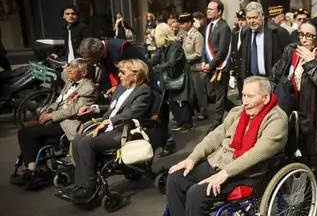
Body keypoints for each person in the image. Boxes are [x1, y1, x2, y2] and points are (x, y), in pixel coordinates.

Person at [144, 77, 288, 216]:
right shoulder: (238, 112)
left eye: (250, 96)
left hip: (246, 174)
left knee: (197, 193)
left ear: (265, 97)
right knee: (175, 178)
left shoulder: (277, 119)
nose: (244, 101)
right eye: (243, 95)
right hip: (217, 164)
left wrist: (225, 174)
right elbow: (216, 136)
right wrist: (192, 159)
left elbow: (258, 153)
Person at [57, 59, 153, 202]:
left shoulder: (143, 91)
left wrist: (109, 121)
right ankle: (80, 184)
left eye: (122, 72)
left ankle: (89, 188)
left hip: (126, 131)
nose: (119, 75)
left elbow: (132, 113)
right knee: (77, 140)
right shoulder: (122, 88)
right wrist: (93, 108)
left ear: (135, 74)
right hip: (111, 127)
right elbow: (112, 108)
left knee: (86, 143)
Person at [269, 18, 317, 201]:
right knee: (297, 154)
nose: (304, 39)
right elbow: (276, 74)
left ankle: (311, 200)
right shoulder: (291, 49)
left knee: (314, 159)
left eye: (309, 35)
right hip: (293, 113)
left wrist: (310, 62)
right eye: (301, 34)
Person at [12, 59, 97, 188]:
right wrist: (46, 111)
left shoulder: (88, 88)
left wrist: (51, 115)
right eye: (69, 67)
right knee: (24, 131)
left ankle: (36, 171)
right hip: (55, 119)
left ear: (84, 72)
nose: (68, 70)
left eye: (72, 68)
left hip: (68, 123)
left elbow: (73, 110)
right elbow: (58, 101)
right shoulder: (70, 83)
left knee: (29, 133)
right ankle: (38, 169)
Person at [152, 23, 194, 132]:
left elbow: (171, 62)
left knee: (184, 100)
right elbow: (156, 58)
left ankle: (187, 124)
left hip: (181, 75)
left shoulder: (175, 45)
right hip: (172, 76)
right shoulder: (164, 47)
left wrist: (156, 69)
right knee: (171, 100)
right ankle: (181, 121)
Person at [237, 1, 291, 84]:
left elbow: (288, 58)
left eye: (255, 17)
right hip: (251, 79)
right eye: (249, 18)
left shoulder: (277, 32)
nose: (251, 21)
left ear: (262, 15)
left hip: (271, 80)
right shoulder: (245, 31)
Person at [202, 0, 233, 130]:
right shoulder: (208, 26)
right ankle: (236, 110)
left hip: (220, 67)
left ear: (219, 11)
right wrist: (204, 61)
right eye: (207, 9)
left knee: (220, 96)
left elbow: (222, 50)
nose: (208, 11)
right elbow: (206, 47)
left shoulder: (224, 27)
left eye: (211, 9)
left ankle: (216, 122)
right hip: (209, 66)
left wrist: (212, 64)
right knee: (211, 94)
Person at [179, 14, 207, 121]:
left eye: (184, 23)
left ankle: (204, 112)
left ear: (190, 23)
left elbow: (199, 53)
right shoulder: (185, 35)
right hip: (189, 68)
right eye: (181, 23)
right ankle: (193, 111)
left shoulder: (197, 35)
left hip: (197, 67)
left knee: (200, 92)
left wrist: (186, 58)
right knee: (191, 92)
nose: (182, 25)